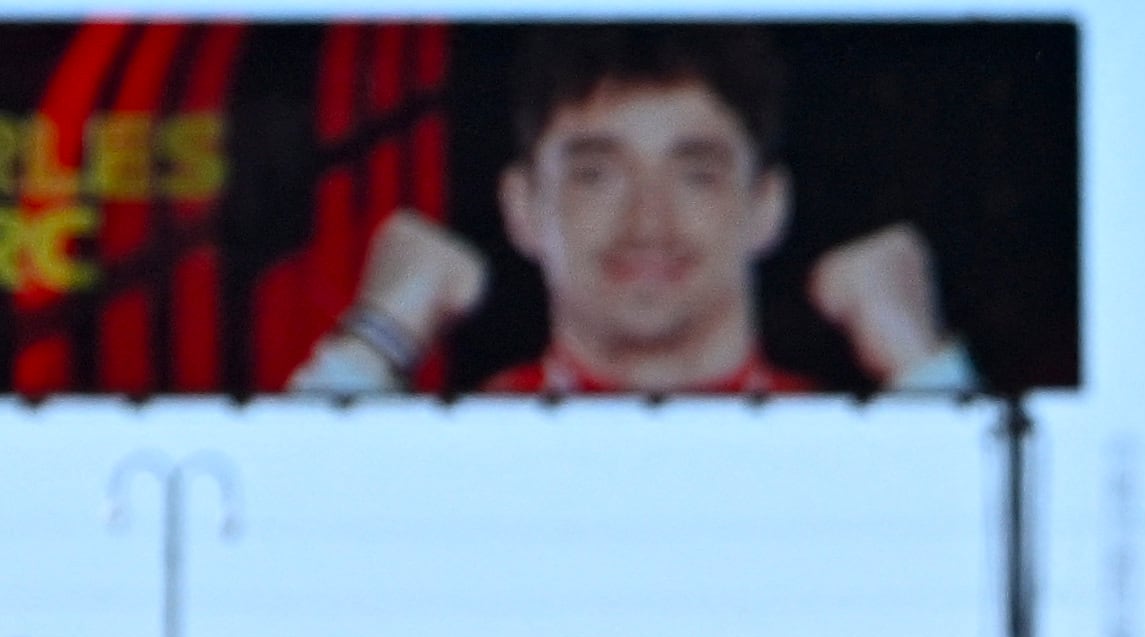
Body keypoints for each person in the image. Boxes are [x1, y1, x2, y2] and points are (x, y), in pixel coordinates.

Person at [287, 27, 975, 400]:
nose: (649, 221)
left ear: (767, 207)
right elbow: (262, 561)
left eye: (696, 174)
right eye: (596, 174)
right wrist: (374, 341)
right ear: (523, 208)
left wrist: (923, 366)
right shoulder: (470, 429)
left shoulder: (841, 428)